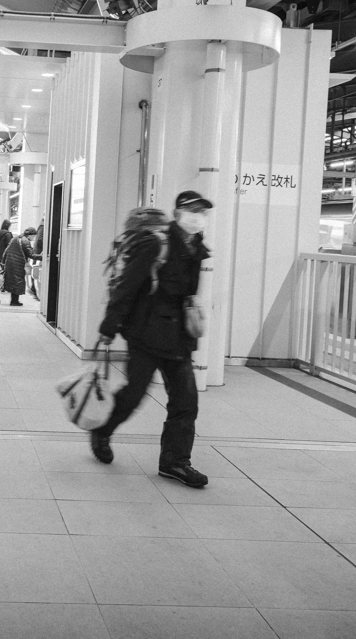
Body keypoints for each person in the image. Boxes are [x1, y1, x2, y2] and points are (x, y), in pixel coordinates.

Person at [92, 191, 213, 488]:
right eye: (192, 210)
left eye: (202, 212)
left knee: (186, 402)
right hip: (146, 333)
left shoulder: (197, 247)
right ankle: (102, 430)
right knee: (134, 394)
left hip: (179, 338)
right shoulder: (154, 243)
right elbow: (128, 286)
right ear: (178, 213)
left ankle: (175, 462)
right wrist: (109, 326)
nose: (198, 216)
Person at [2, 226, 36, 307]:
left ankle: (14, 300)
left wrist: (3, 262)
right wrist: (42, 256)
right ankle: (14, 301)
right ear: (29, 235)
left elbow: (6, 250)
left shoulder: (16, 238)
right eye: (34, 236)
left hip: (10, 263)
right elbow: (31, 254)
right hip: (18, 264)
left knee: (13, 282)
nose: (34, 238)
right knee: (18, 282)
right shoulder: (25, 241)